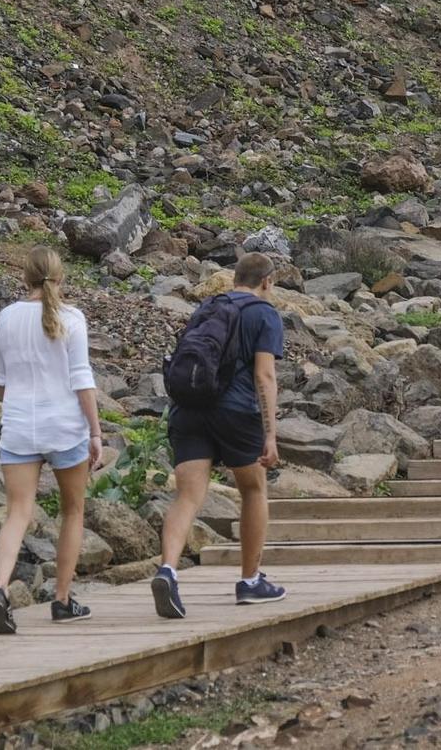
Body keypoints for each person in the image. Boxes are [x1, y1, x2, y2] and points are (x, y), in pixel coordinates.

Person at [152, 253, 286, 618]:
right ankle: (250, 581)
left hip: (190, 407)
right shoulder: (264, 314)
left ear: (234, 279)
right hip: (237, 411)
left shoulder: (208, 307)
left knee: (188, 495)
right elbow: (265, 376)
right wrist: (270, 434)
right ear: (267, 281)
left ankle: (168, 570)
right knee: (253, 489)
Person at [0, 246, 102, 635]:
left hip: (19, 427)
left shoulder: (6, 318)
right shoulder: (72, 318)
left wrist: (19, 407)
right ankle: (62, 600)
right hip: (65, 426)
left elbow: (0, 383)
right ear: (61, 277)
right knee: (73, 511)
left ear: (25, 277)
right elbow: (81, 380)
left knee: (18, 512)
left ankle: (0, 590)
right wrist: (96, 431)